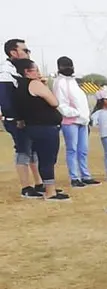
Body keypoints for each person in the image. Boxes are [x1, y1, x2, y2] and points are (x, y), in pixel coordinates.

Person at [11, 59, 68, 200]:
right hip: (45, 127)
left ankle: (49, 188)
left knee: (43, 158)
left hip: (32, 127)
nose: (38, 73)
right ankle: (50, 192)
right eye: (36, 70)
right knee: (48, 158)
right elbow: (54, 102)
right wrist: (44, 85)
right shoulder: (34, 84)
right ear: (27, 72)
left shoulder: (19, 87)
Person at [2, 38, 40, 198]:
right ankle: (26, 187)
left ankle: (39, 184)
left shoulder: (19, 69)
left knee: (33, 151)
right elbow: (5, 100)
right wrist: (17, 118)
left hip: (27, 119)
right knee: (23, 151)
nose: (28, 53)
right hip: (16, 120)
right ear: (13, 52)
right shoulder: (5, 72)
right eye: (25, 50)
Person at [52, 56, 97, 188]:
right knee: (72, 149)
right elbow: (60, 104)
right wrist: (76, 113)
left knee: (83, 150)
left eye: (70, 66)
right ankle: (74, 177)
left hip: (82, 121)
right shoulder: (59, 82)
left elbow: (80, 101)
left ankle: (85, 175)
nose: (70, 69)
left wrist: (85, 116)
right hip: (70, 121)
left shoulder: (73, 81)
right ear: (59, 67)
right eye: (66, 66)